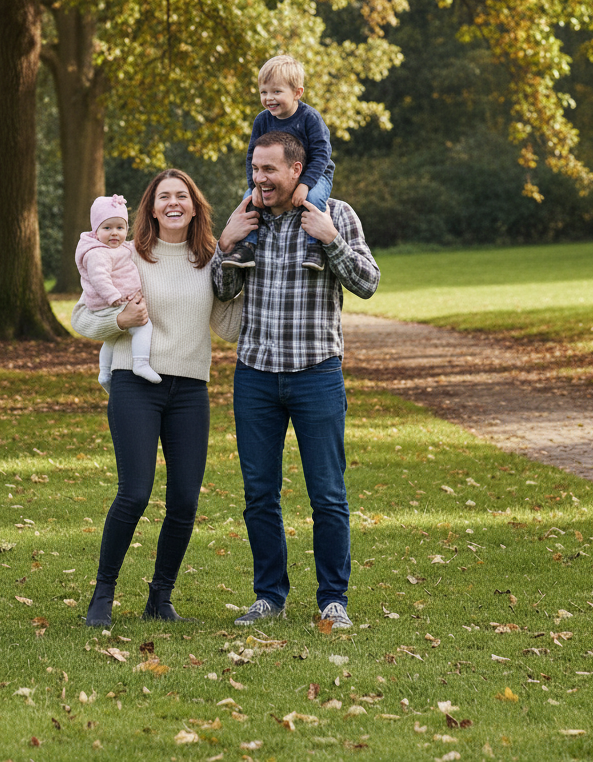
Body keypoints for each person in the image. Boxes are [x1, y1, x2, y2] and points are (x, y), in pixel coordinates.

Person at [212, 131, 379, 631]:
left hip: (316, 375)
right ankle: (269, 595)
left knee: (327, 493)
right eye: (255, 170)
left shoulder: (336, 214)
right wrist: (225, 244)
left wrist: (331, 241)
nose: (259, 179)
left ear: (296, 170)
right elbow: (223, 291)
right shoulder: (248, 219)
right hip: (256, 376)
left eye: (269, 170)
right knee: (259, 494)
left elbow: (368, 283)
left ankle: (334, 600)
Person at [72, 170, 243, 626]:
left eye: (182, 196)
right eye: (163, 196)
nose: (173, 203)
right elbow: (82, 318)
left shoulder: (208, 260)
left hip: (190, 388)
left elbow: (227, 329)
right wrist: (120, 321)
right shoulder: (126, 253)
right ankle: (102, 596)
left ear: (194, 206)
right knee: (135, 493)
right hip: (135, 385)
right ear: (149, 207)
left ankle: (160, 598)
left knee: (185, 500)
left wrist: (244, 278)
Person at [220, 54, 335, 272]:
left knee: (313, 199)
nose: (269, 98)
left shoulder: (309, 118)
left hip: (316, 173)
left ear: (297, 93)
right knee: (248, 200)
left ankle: (315, 248)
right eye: (264, 92)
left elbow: (322, 154)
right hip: (276, 179)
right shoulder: (262, 120)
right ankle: (247, 247)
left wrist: (305, 184)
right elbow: (252, 155)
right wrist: (254, 187)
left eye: (276, 91)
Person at [75, 194, 160, 394]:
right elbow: (99, 278)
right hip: (110, 302)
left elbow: (129, 248)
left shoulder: (117, 248)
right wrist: (113, 297)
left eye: (120, 228)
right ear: (95, 231)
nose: (114, 233)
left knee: (111, 339)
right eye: (107, 228)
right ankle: (140, 363)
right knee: (143, 326)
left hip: (115, 300)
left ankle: (104, 372)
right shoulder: (98, 253)